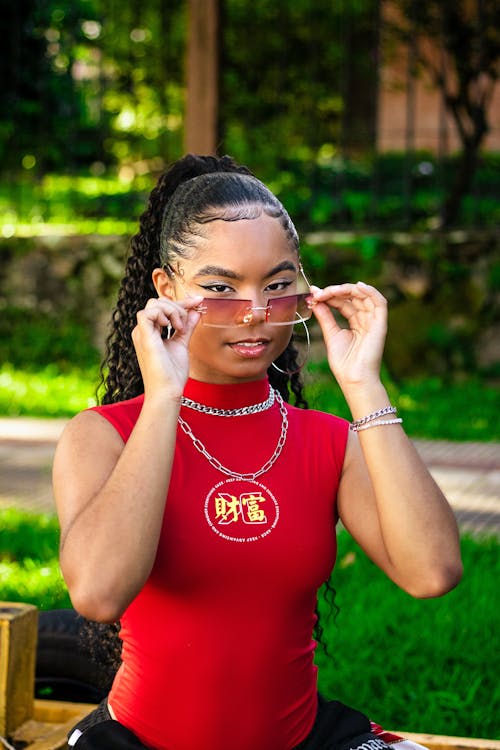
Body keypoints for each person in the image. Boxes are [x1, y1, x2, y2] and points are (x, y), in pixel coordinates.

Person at [53, 153, 462, 750]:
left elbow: (433, 572)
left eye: (277, 286)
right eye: (219, 288)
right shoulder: (106, 434)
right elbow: (97, 592)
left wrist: (364, 387)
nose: (253, 313)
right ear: (166, 290)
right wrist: (164, 396)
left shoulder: (328, 440)